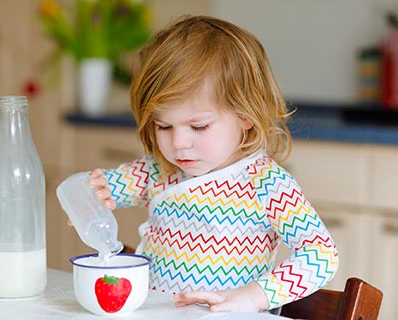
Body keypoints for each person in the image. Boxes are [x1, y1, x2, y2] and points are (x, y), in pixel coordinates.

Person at [84, 15, 339, 313]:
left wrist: (253, 296)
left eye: (199, 126)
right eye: (163, 126)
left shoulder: (264, 182)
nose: (178, 143)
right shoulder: (159, 170)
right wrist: (90, 196)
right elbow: (103, 188)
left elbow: (321, 254)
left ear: (246, 115)